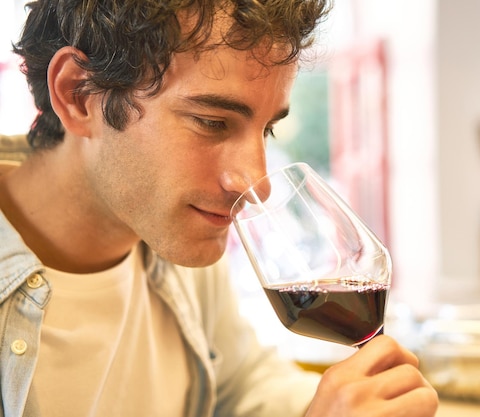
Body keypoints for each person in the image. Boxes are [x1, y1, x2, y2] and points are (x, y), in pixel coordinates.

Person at [0, 0, 439, 416]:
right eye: (212, 123)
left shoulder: (173, 240)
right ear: (78, 93)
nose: (253, 183)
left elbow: (244, 386)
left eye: (266, 130)